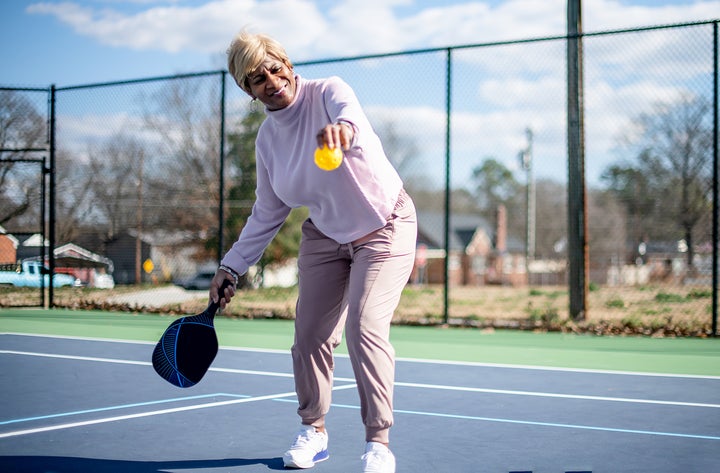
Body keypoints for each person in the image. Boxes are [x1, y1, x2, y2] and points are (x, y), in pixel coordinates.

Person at [210, 30, 417, 473]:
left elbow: (351, 122)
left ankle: (378, 444)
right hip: (325, 235)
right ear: (247, 90)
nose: (270, 80)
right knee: (309, 336)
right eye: (256, 77)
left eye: (274, 68)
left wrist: (342, 132)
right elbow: (268, 210)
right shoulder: (267, 140)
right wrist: (232, 266)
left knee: (364, 327)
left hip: (385, 225)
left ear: (287, 64)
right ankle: (314, 431)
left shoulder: (330, 92)